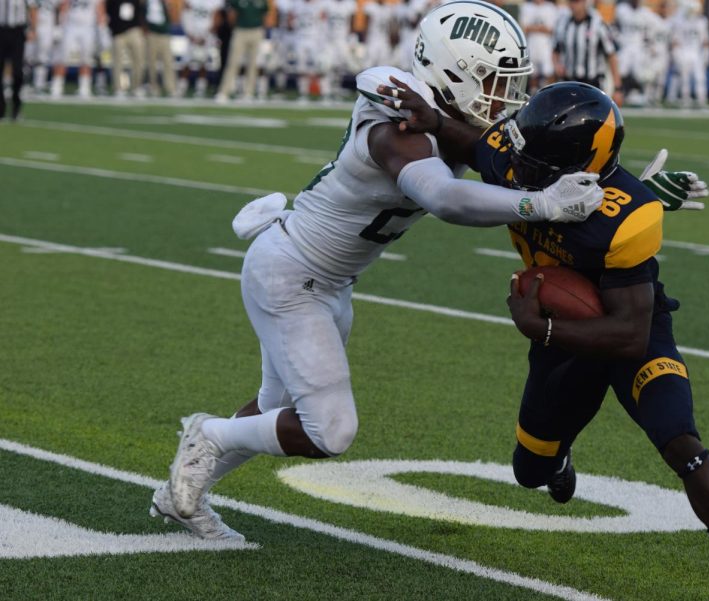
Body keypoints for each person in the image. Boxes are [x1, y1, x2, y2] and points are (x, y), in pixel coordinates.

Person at [151, 0, 606, 541]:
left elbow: (518, 165)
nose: (500, 96)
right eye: (488, 80)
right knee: (330, 430)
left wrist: (638, 197)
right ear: (451, 71)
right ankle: (206, 435)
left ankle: (180, 496)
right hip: (291, 272)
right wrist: (543, 205)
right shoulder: (399, 123)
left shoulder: (440, 115)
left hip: (327, 281)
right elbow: (446, 198)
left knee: (275, 409)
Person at [397, 80, 709, 601]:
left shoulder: (629, 218)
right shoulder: (517, 157)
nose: (521, 169)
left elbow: (628, 334)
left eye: (539, 164)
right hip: (562, 342)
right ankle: (557, 460)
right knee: (529, 471)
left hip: (631, 331)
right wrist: (435, 122)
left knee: (681, 442)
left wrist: (541, 327)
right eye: (522, 154)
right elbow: (476, 145)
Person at [553, 0, 622, 105]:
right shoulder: (564, 23)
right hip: (569, 82)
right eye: (571, 2)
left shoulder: (597, 23)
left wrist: (617, 88)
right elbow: (555, 50)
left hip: (592, 84)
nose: (573, 5)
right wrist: (557, 65)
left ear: (584, 2)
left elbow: (611, 55)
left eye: (576, 2)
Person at [213, 0, 268, 102]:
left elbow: (264, 15)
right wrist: (236, 27)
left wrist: (261, 29)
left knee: (253, 64)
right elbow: (232, 14)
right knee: (233, 62)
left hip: (256, 30)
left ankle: (248, 93)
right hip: (240, 30)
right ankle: (224, 92)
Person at [51, 0, 104, 98]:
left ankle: (85, 87)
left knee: (87, 58)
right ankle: (57, 86)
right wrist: (58, 27)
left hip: (88, 27)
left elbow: (99, 9)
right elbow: (64, 6)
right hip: (70, 26)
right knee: (63, 56)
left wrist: (101, 29)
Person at [671, 0, 709, 108]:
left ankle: (702, 100)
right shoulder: (680, 22)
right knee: (685, 78)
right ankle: (685, 99)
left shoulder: (702, 21)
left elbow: (705, 40)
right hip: (684, 52)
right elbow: (675, 40)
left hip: (696, 53)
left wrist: (706, 54)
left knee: (700, 77)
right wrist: (676, 54)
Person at [0, 0, 33, 120]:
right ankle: (1, 108)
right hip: (1, 30)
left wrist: (32, 29)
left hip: (17, 32)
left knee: (18, 71)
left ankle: (16, 107)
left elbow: (31, 7)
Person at [105, 0, 144, 97]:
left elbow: (141, 9)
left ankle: (136, 87)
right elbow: (108, 11)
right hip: (118, 32)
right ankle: (118, 88)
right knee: (117, 62)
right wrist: (112, 28)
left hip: (133, 29)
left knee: (138, 60)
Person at [519, 0, 558, 90]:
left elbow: (552, 29)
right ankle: (534, 95)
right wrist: (541, 28)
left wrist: (534, 27)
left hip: (546, 46)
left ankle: (549, 93)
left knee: (549, 72)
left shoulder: (550, 7)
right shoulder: (526, 7)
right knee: (533, 75)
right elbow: (525, 27)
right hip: (531, 45)